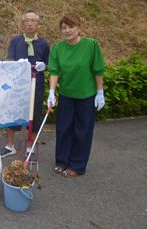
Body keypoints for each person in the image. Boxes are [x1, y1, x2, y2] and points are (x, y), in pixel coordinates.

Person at [47, 13, 105, 177]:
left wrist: (100, 92)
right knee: (64, 129)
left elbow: (98, 69)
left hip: (86, 96)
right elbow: (54, 70)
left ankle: (77, 165)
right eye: (64, 27)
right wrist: (52, 92)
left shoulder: (91, 45)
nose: (67, 30)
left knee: (83, 131)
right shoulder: (58, 48)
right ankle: (62, 161)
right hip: (67, 94)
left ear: (79, 28)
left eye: (71, 26)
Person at [0, 10, 50, 158]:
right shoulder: (15, 41)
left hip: (37, 83)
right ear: (22, 24)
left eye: (33, 20)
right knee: (13, 112)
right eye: (27, 20)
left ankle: (30, 146)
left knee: (35, 113)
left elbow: (48, 63)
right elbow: (9, 61)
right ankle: (10, 145)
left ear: (38, 24)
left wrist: (44, 66)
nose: (30, 23)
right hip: (18, 84)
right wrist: (17, 64)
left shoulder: (44, 44)